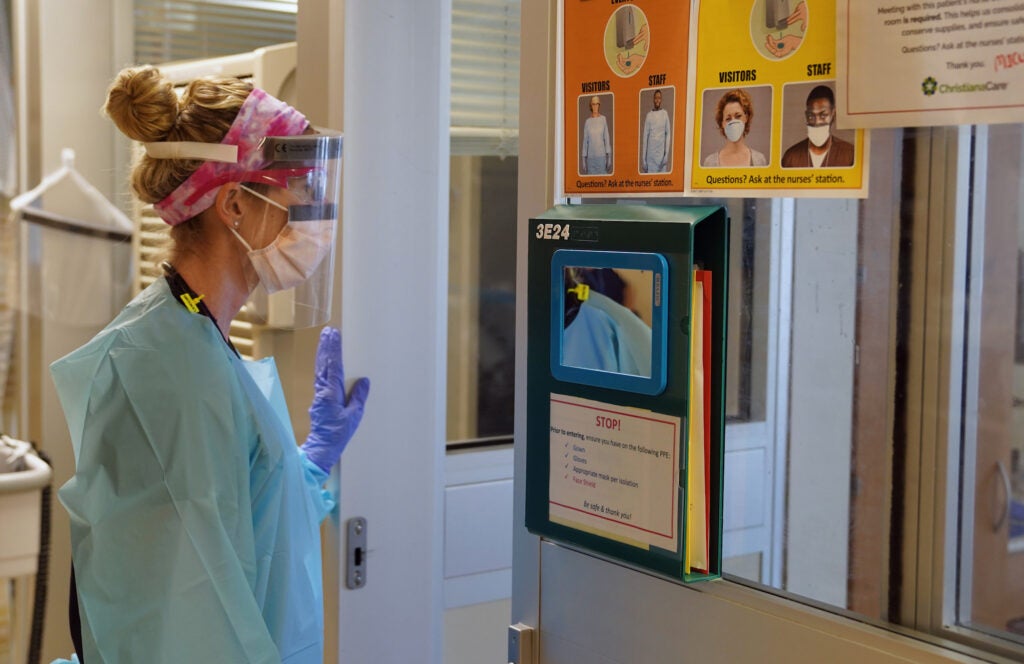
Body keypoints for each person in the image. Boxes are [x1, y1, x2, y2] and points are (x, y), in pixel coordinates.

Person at [49, 66, 370, 663]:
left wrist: (306, 468)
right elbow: (181, 615)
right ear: (234, 204)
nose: (311, 212)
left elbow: (233, 522)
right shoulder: (164, 372)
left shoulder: (193, 338)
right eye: (295, 192)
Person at [781, 84, 854, 168]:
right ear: (806, 116)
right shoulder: (791, 157)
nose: (817, 122)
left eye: (823, 116)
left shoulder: (849, 154)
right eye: (811, 116)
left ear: (833, 114)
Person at [702, 89, 767, 168]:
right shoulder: (710, 163)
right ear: (722, 123)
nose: (733, 122)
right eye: (728, 119)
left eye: (738, 116)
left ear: (746, 117)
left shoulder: (759, 160)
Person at [640, 89, 671, 174]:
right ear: (653, 99)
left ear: (661, 100)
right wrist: (643, 158)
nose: (657, 100)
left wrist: (666, 154)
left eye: (659, 98)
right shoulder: (649, 116)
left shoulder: (665, 114)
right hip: (651, 157)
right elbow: (645, 137)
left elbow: (668, 134)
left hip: (661, 157)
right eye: (656, 98)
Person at [581, 96, 611, 175]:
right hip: (591, 159)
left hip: (601, 157)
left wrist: (609, 157)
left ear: (599, 105)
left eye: (597, 104)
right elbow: (585, 142)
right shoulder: (587, 122)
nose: (595, 106)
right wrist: (583, 160)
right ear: (591, 105)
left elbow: (606, 139)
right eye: (593, 104)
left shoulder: (603, 119)